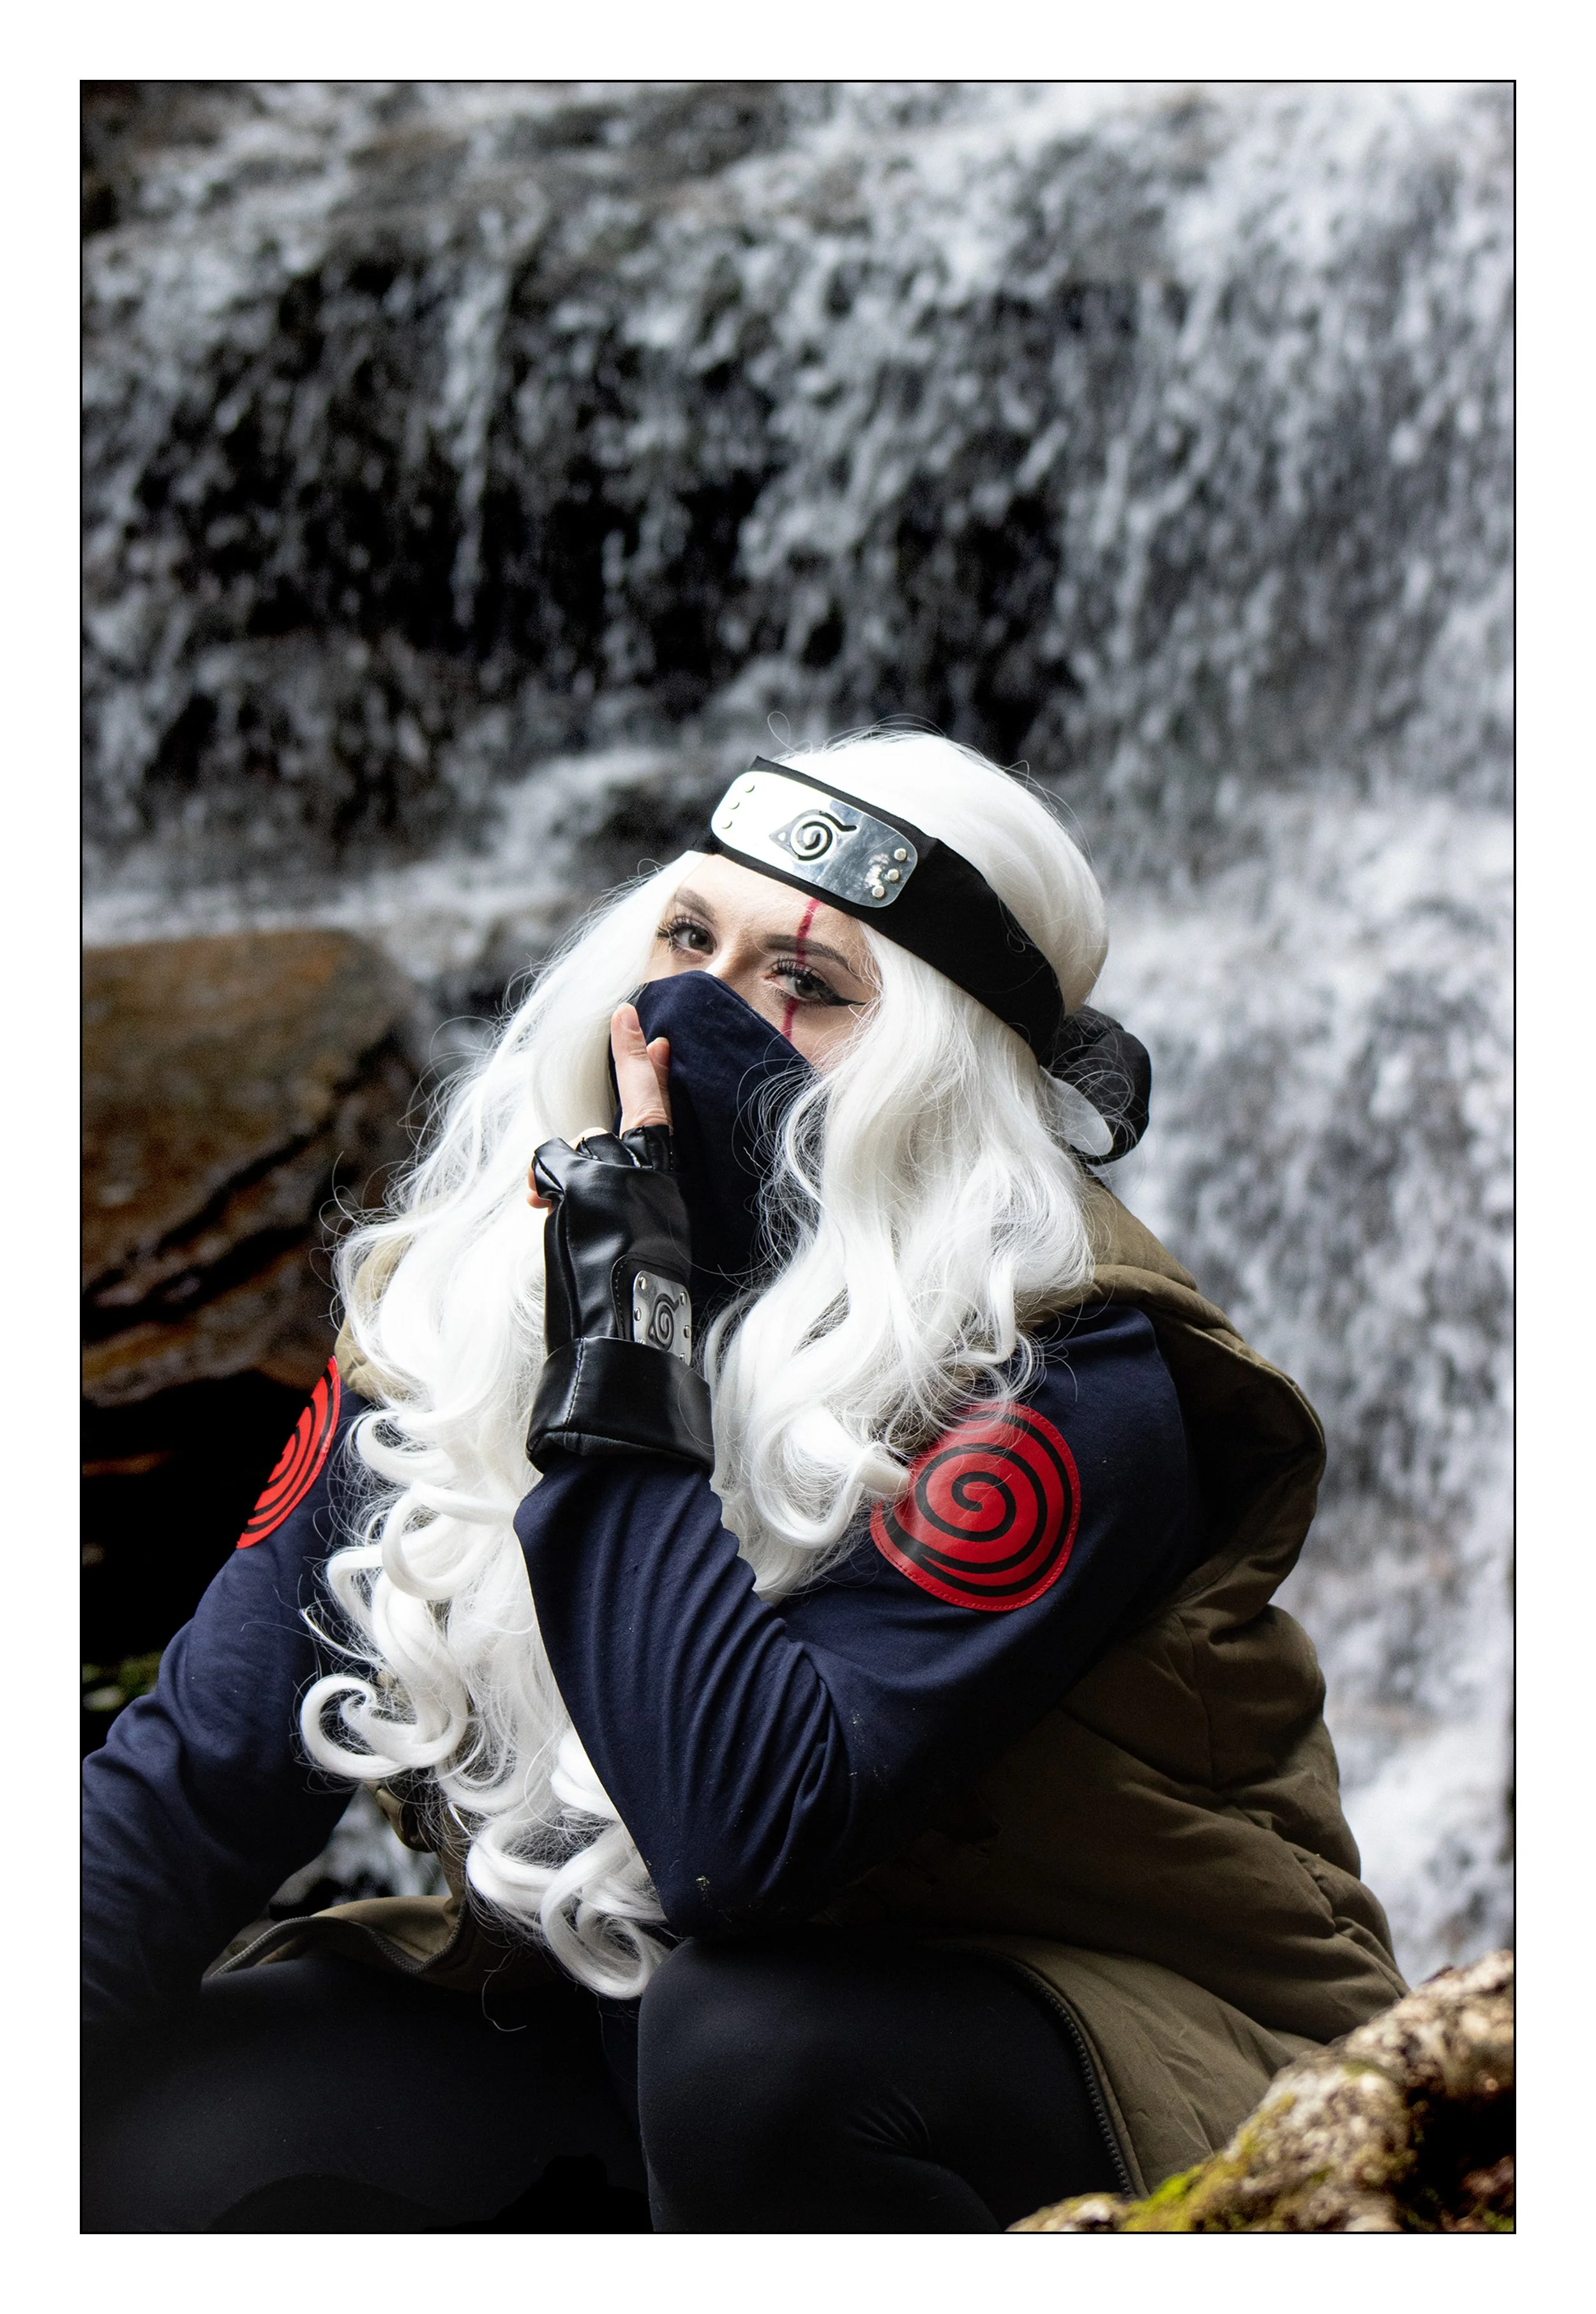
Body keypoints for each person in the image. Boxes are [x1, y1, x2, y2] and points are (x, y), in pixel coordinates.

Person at [82, 731, 1406, 2233]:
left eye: (810, 986)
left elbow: (738, 1840)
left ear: (936, 1080)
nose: (702, 1013)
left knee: (750, 2044)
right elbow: (189, 1784)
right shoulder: (460, 1304)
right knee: (170, 2123)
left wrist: (630, 1326)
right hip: (621, 2025)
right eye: (688, 940)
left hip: (1126, 2065)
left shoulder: (1073, 1369)